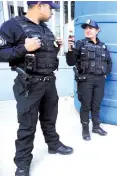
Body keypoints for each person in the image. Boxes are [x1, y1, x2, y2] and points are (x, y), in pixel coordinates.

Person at [0, 1, 73, 175]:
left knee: (50, 118)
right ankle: (22, 163)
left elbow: (43, 54)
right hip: (29, 84)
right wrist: (24, 48)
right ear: (39, 5)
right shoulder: (13, 25)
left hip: (49, 82)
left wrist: (56, 47)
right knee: (27, 125)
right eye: (50, 8)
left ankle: (53, 145)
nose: (52, 12)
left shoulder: (45, 29)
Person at [66, 19, 112, 141]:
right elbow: (70, 62)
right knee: (86, 105)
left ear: (97, 31)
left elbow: (109, 61)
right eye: (86, 28)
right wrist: (70, 50)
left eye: (91, 28)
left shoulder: (103, 46)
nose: (87, 30)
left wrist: (106, 74)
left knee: (96, 105)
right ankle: (85, 129)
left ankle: (96, 127)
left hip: (100, 80)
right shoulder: (80, 43)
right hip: (85, 80)